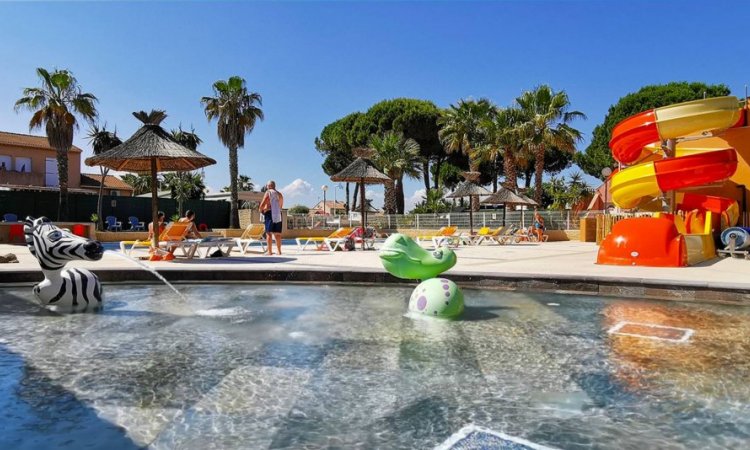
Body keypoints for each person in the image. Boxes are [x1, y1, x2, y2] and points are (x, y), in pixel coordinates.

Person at [259, 180, 284, 255]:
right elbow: (281, 205)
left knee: (269, 233)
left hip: (270, 214)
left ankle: (269, 251)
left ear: (269, 186)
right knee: (278, 234)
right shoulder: (280, 194)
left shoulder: (268, 192)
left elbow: (263, 203)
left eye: (267, 186)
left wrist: (261, 210)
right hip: (278, 214)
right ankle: (279, 251)